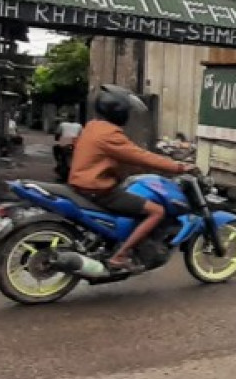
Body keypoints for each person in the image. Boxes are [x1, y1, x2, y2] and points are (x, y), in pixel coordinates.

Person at [68, 87, 193, 271]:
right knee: (157, 211)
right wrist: (178, 167)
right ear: (119, 112)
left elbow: (123, 157)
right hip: (97, 189)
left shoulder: (93, 126)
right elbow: (141, 156)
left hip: (82, 183)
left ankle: (117, 243)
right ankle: (120, 256)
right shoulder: (110, 134)